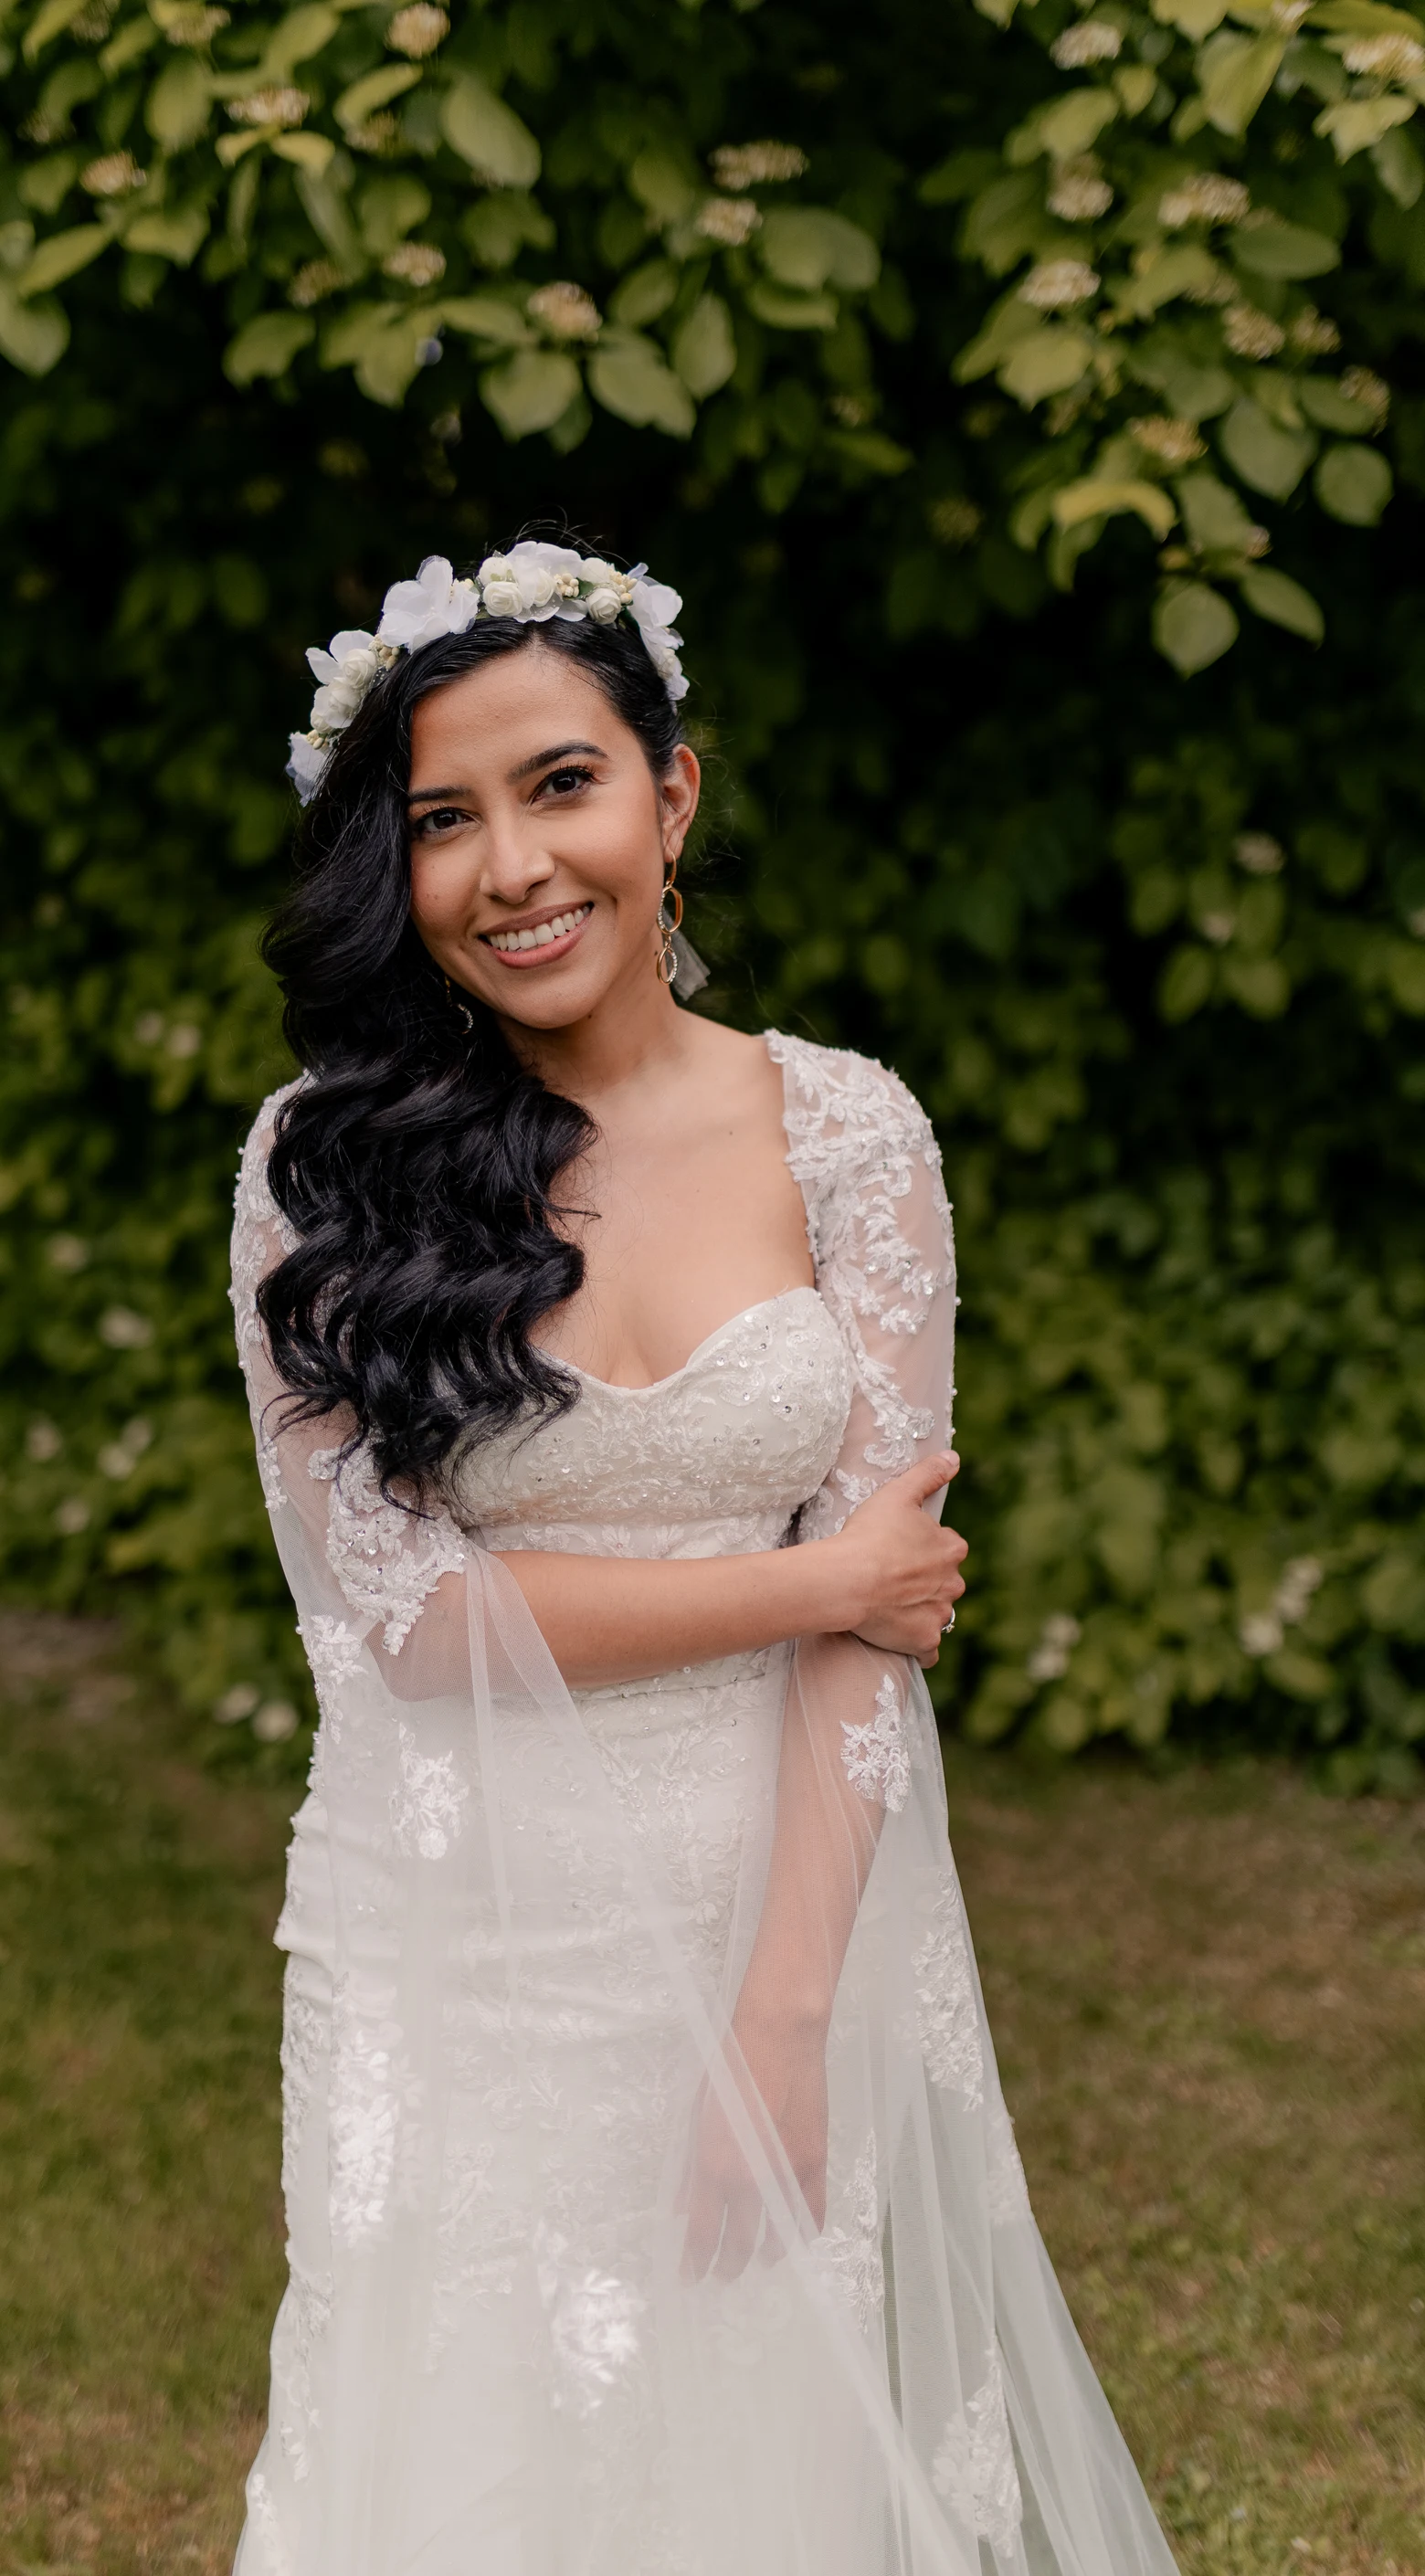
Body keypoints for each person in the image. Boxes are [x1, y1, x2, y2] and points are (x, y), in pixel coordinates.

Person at [227, 540, 1178, 2576]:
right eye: (439, 822)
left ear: (672, 794)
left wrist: (783, 2002)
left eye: (559, 784)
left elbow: (879, 1620)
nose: (509, 867)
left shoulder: (848, 1136)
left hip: (766, 1900)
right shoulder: (319, 1169)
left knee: (756, 2455)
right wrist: (805, 1583)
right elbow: (411, 1620)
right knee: (441, 2446)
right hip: (444, 1926)